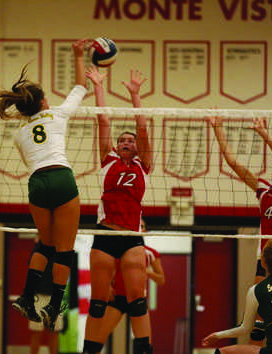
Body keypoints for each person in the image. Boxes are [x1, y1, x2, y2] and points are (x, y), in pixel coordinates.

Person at [0, 39, 87, 330]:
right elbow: (81, 87)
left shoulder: (19, 133)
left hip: (36, 184)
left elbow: (28, 162)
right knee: (64, 250)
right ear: (44, 102)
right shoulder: (57, 114)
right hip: (60, 177)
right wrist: (79, 54)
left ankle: (26, 296)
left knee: (46, 244)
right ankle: (54, 304)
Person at [209, 116, 272, 342]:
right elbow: (232, 162)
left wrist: (264, 133)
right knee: (258, 324)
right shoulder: (263, 191)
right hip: (265, 260)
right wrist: (218, 128)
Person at [82, 66, 153, 354]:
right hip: (105, 233)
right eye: (122, 140)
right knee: (98, 303)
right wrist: (99, 86)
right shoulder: (107, 161)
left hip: (131, 236)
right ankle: (89, 349)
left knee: (137, 299)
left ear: (137, 147)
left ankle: (143, 349)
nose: (126, 142)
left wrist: (135, 95)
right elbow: (103, 121)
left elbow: (143, 128)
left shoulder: (143, 165)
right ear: (116, 146)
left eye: (130, 140)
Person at [201, 239, 272, 354]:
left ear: (263, 262)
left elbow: (245, 328)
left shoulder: (256, 290)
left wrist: (218, 336)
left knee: (222, 352)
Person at [92, 242, 165, 349]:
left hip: (138, 299)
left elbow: (161, 280)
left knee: (145, 343)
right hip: (117, 298)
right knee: (97, 339)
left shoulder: (151, 253)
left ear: (144, 231)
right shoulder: (116, 249)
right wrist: (107, 287)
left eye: (142, 226)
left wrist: (148, 273)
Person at [27, 239, 65, 354]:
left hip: (55, 295)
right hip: (38, 295)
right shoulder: (38, 249)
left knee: (54, 332)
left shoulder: (61, 249)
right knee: (36, 332)